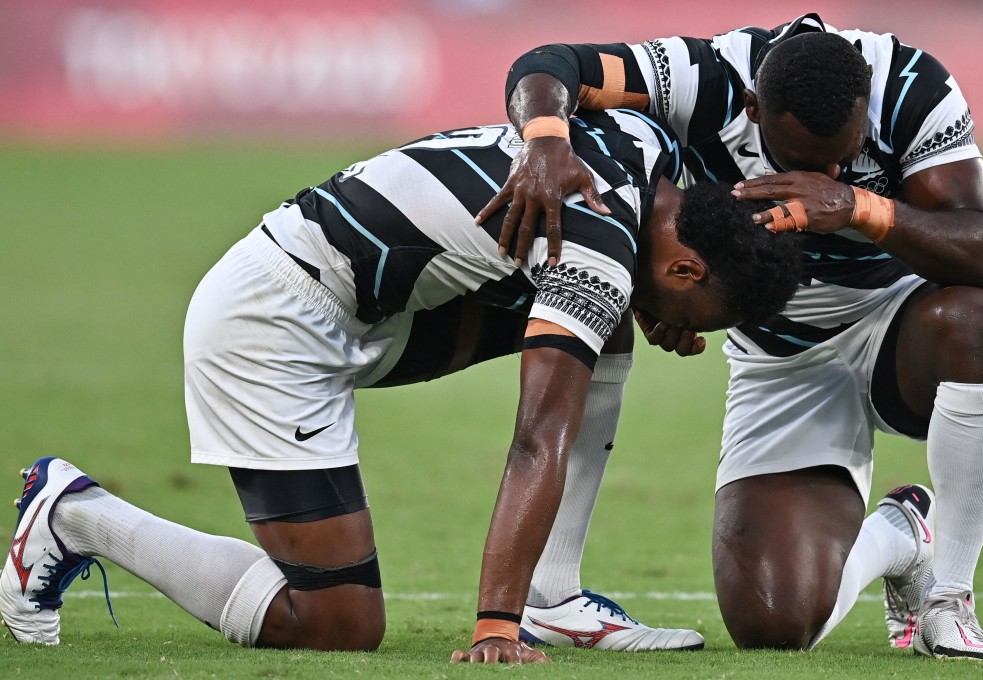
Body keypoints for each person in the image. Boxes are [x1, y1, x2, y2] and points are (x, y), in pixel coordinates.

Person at [0, 109, 803, 663]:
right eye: (698, 313)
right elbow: (537, 437)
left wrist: (641, 296)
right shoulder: (596, 249)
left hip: (365, 304)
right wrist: (492, 623)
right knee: (336, 623)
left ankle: (553, 598)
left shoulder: (641, 145)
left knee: (603, 319)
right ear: (686, 264)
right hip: (271, 323)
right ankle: (76, 515)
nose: (686, 334)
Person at [483, 13, 983, 661]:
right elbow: (548, 64)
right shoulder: (704, 78)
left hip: (899, 324)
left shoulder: (908, 86)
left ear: (863, 105)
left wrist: (859, 206)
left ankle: (949, 600)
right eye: (805, 162)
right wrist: (545, 143)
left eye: (844, 157)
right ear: (754, 110)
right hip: (779, 356)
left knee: (977, 316)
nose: (828, 173)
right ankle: (903, 534)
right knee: (773, 627)